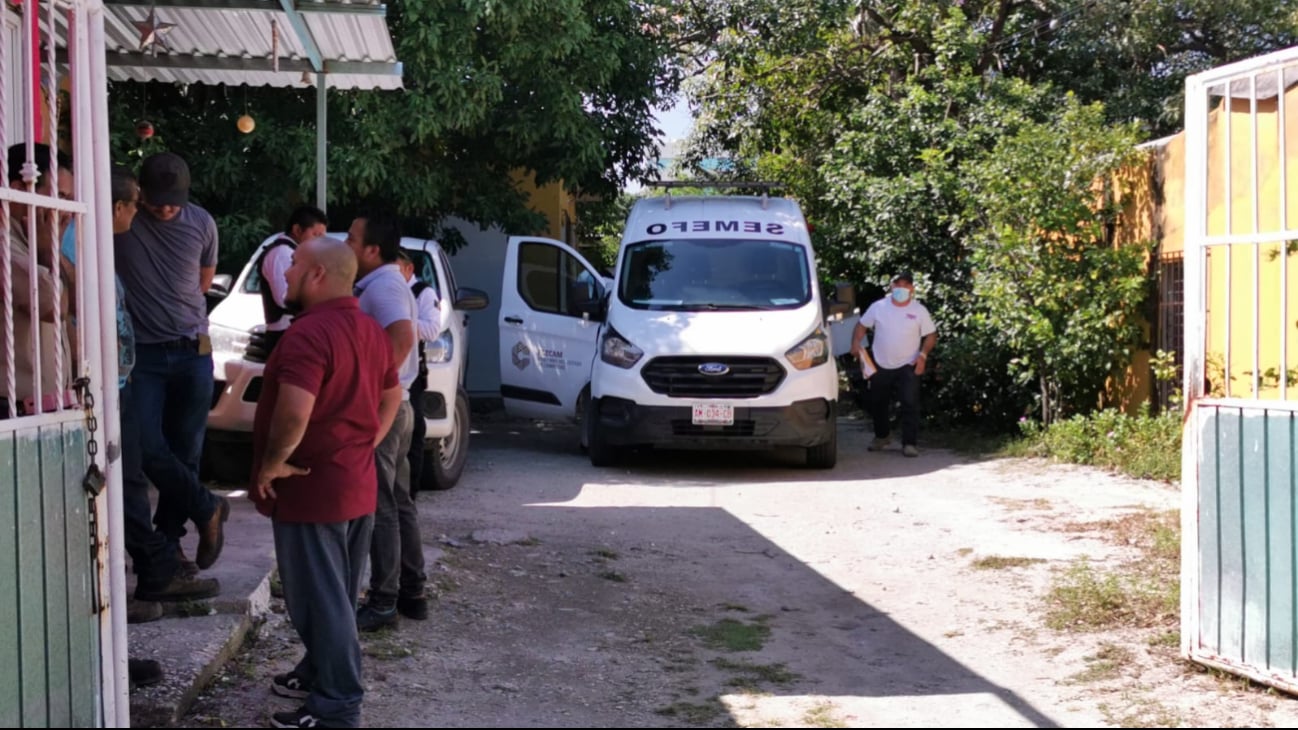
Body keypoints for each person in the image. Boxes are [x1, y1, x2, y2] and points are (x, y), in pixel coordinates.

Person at [252, 236, 402, 728]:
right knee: (336, 593)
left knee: (321, 602)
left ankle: (338, 707)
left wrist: (272, 463)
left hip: (312, 490)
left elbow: (295, 411)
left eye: (294, 265)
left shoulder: (307, 335)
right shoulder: (367, 328)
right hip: (354, 485)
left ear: (317, 275)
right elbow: (391, 397)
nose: (285, 273)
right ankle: (320, 673)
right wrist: (363, 445)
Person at [114, 152, 229, 581]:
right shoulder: (125, 219)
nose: (165, 208)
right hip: (143, 353)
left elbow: (204, 281)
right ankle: (206, 506)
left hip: (193, 349)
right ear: (140, 194)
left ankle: (171, 543)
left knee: (187, 450)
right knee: (143, 445)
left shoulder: (202, 223)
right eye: (157, 200)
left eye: (173, 201)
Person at [345, 211, 428, 630]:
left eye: (353, 240)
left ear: (373, 251)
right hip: (399, 405)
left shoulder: (384, 286)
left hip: (387, 409)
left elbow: (401, 338)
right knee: (397, 502)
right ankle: (412, 592)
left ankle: (383, 601)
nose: (347, 245)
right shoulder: (383, 282)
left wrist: (375, 394)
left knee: (381, 507)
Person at [2, 143, 75, 416]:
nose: (66, 210)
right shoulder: (6, 245)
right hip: (13, 411)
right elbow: (53, 307)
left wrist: (49, 249)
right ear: (18, 190)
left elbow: (78, 303)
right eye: (59, 197)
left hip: (44, 407)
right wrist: (47, 251)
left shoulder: (30, 239)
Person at [850, 272, 937, 457]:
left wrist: (923, 355)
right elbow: (862, 325)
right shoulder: (878, 307)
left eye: (906, 285)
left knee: (910, 403)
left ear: (912, 289)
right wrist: (856, 343)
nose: (901, 288)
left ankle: (909, 443)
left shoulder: (919, 310)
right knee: (878, 402)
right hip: (881, 362)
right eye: (898, 284)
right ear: (891, 286)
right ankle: (882, 437)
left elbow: (931, 334)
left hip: (909, 363)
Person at [397, 249, 442, 494]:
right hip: (390, 369)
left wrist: (399, 326)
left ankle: (409, 491)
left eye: (396, 271)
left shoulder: (422, 293)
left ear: (408, 269)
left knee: (413, 431)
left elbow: (432, 329)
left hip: (412, 372)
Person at [253, 205, 328, 353]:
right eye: (315, 235)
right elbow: (284, 297)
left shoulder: (294, 252)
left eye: (322, 237)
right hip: (284, 332)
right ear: (297, 230)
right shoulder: (282, 253)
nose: (319, 242)